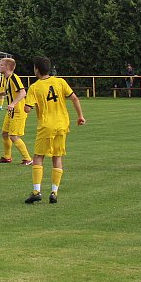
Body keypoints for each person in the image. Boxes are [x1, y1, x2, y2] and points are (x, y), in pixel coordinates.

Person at [23, 56, 86, 204]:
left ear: (36, 70)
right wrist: (80, 116)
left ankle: (36, 191)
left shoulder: (35, 87)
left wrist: (26, 102)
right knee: (57, 157)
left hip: (46, 125)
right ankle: (54, 192)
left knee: (38, 156)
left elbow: (27, 109)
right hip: (62, 124)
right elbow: (74, 98)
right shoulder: (60, 82)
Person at [0, 57, 33, 165]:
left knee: (13, 136)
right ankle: (7, 157)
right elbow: (10, 91)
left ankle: (28, 159)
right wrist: (0, 94)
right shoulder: (8, 78)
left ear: (7, 67)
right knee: (5, 133)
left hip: (18, 111)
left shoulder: (14, 77)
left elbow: (23, 92)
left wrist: (12, 104)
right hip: (12, 111)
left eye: (1, 65)